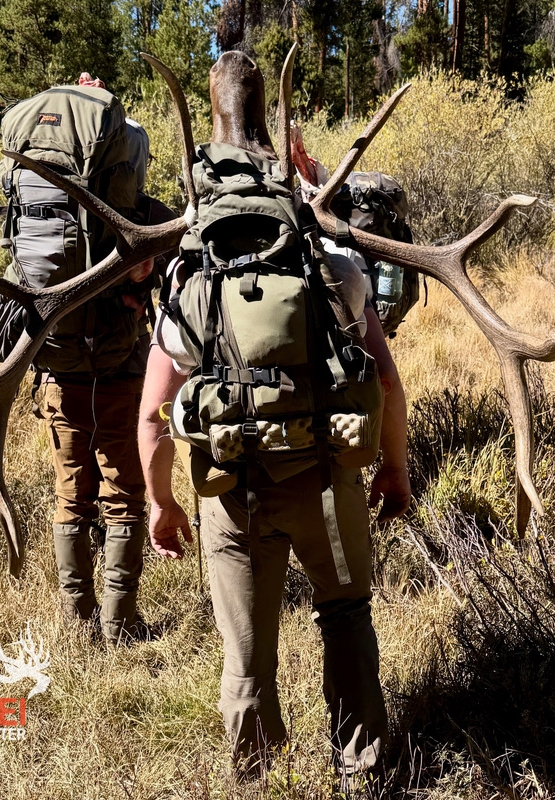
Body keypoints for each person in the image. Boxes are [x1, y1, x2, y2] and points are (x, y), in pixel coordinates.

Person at [138, 289, 410, 785]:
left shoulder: (191, 282)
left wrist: (161, 504)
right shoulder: (334, 267)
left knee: (246, 652)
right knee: (346, 617)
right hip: (325, 490)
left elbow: (154, 415)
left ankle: (260, 778)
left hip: (234, 496)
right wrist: (394, 468)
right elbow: (386, 381)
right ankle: (363, 774)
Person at [34, 73, 165, 646]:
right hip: (119, 369)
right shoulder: (136, 210)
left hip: (58, 368)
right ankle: (118, 622)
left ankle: (76, 619)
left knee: (71, 491)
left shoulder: (38, 204)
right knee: (122, 492)